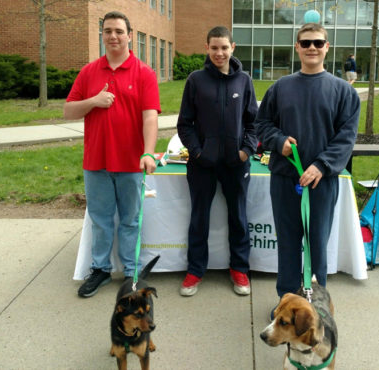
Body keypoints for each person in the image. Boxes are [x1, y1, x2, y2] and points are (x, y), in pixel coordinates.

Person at [255, 23, 360, 310]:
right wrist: (278, 142)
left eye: (317, 42)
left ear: (327, 47)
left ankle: (316, 306)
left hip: (321, 182)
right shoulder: (280, 88)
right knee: (288, 244)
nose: (311, 47)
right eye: (305, 43)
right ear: (297, 47)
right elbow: (262, 124)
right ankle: (287, 305)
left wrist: (322, 166)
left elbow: (346, 136)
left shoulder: (343, 92)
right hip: (285, 178)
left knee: (317, 246)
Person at [64, 11, 160, 298]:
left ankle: (131, 274)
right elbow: (68, 111)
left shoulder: (144, 73)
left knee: (131, 220)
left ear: (130, 35)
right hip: (96, 162)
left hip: (131, 162)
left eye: (119, 31)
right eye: (108, 31)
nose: (113, 36)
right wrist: (93, 101)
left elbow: (150, 118)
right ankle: (100, 269)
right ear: (102, 35)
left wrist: (148, 152)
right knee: (101, 219)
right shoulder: (89, 72)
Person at [177, 26, 258, 297]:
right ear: (207, 48)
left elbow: (253, 122)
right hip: (202, 164)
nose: (219, 53)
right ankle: (195, 270)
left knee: (238, 216)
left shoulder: (244, 81)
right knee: (199, 217)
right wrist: (198, 152)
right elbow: (184, 124)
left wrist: (246, 150)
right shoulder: (195, 80)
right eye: (214, 48)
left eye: (224, 47)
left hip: (236, 163)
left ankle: (239, 269)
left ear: (232, 47)